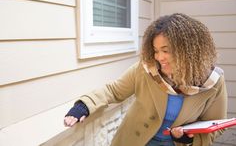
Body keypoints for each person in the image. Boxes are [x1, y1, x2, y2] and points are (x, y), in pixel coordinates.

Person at [64, 13, 228, 146]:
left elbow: (215, 125)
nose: (159, 57)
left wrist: (189, 139)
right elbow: (113, 91)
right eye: (156, 50)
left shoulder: (213, 82)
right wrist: (84, 105)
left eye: (166, 50)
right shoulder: (146, 70)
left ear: (189, 51)